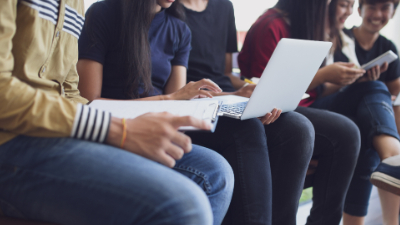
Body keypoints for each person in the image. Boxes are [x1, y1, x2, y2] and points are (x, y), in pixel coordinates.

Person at [77, 0, 316, 224]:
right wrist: (170, 98)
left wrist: (239, 94)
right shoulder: (103, 13)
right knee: (243, 131)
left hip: (164, 119)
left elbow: (181, 99)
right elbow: (89, 100)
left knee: (261, 125)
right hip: (118, 125)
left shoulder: (179, 29)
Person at [0, 0, 235, 224]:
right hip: (12, 138)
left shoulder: (76, 5)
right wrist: (118, 129)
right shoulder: (103, 13)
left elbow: (71, 91)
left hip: (61, 129)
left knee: (216, 172)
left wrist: (119, 125)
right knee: (185, 206)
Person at [179, 0, 347, 224]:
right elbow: (177, 92)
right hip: (200, 102)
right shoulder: (171, 12)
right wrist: (235, 95)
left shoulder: (224, 6)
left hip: (228, 95)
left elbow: (226, 73)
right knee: (286, 128)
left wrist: (250, 89)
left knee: (305, 128)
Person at [238, 0, 363, 224]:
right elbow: (263, 90)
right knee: (345, 132)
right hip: (272, 112)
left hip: (299, 106)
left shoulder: (302, 25)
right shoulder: (271, 25)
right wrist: (324, 75)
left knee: (355, 121)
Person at [328, 0, 400, 224]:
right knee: (375, 89)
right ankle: (394, 159)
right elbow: (319, 90)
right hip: (336, 110)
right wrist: (360, 85)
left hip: (368, 121)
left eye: (385, 7)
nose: (378, 13)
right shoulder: (338, 39)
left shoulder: (389, 48)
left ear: (393, 12)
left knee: (369, 134)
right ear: (360, 10)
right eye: (372, 6)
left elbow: (394, 94)